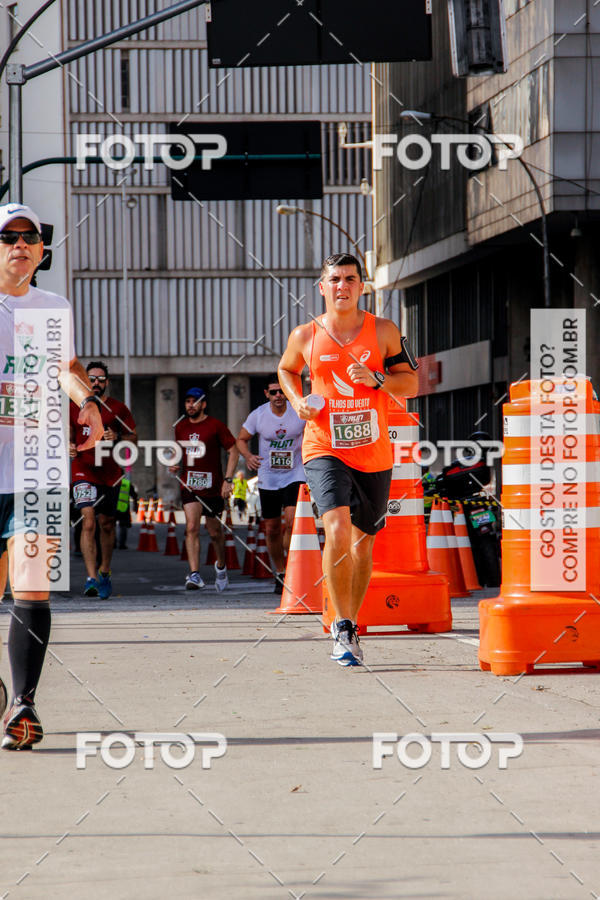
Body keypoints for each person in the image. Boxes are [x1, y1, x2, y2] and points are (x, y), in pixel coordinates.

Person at [278, 252, 419, 665]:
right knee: (336, 527)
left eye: (350, 279)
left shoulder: (385, 332)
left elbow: (410, 383)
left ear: (362, 286)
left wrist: (377, 379)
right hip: (324, 446)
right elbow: (286, 370)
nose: (342, 286)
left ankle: (351, 620)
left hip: (373, 452)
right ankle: (341, 625)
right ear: (322, 287)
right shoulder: (305, 335)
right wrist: (298, 400)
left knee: (362, 544)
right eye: (334, 279)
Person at [0, 202, 103, 749]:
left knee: (32, 587)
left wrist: (87, 402)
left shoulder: (52, 306)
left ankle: (24, 703)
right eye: (9, 236)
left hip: (36, 461)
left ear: (42, 250)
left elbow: (65, 368)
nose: (20, 244)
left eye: (30, 237)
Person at [69, 361, 137, 599]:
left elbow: (133, 439)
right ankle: (90, 578)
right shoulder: (74, 405)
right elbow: (65, 435)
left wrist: (116, 436)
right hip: (83, 471)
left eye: (100, 379)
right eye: (91, 379)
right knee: (88, 520)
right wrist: (68, 445)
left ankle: (104, 571)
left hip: (110, 474)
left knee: (107, 524)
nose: (96, 383)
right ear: (85, 382)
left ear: (107, 382)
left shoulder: (118, 408)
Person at [237, 374, 306, 593]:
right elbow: (241, 439)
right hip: (268, 477)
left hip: (295, 473)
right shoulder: (258, 415)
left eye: (281, 391)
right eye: (273, 392)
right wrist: (248, 456)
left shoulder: (299, 412)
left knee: (292, 520)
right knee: (272, 529)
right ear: (267, 394)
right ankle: (281, 571)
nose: (278, 396)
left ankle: (294, 567)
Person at [170, 387, 239, 591]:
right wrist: (175, 464)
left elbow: (233, 451)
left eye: (195, 401)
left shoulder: (216, 426)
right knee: (191, 527)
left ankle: (221, 567)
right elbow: (178, 452)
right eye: (187, 401)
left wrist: (228, 479)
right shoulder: (180, 427)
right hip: (189, 485)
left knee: (215, 533)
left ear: (203, 404)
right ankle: (194, 574)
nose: (191, 405)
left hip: (213, 487)